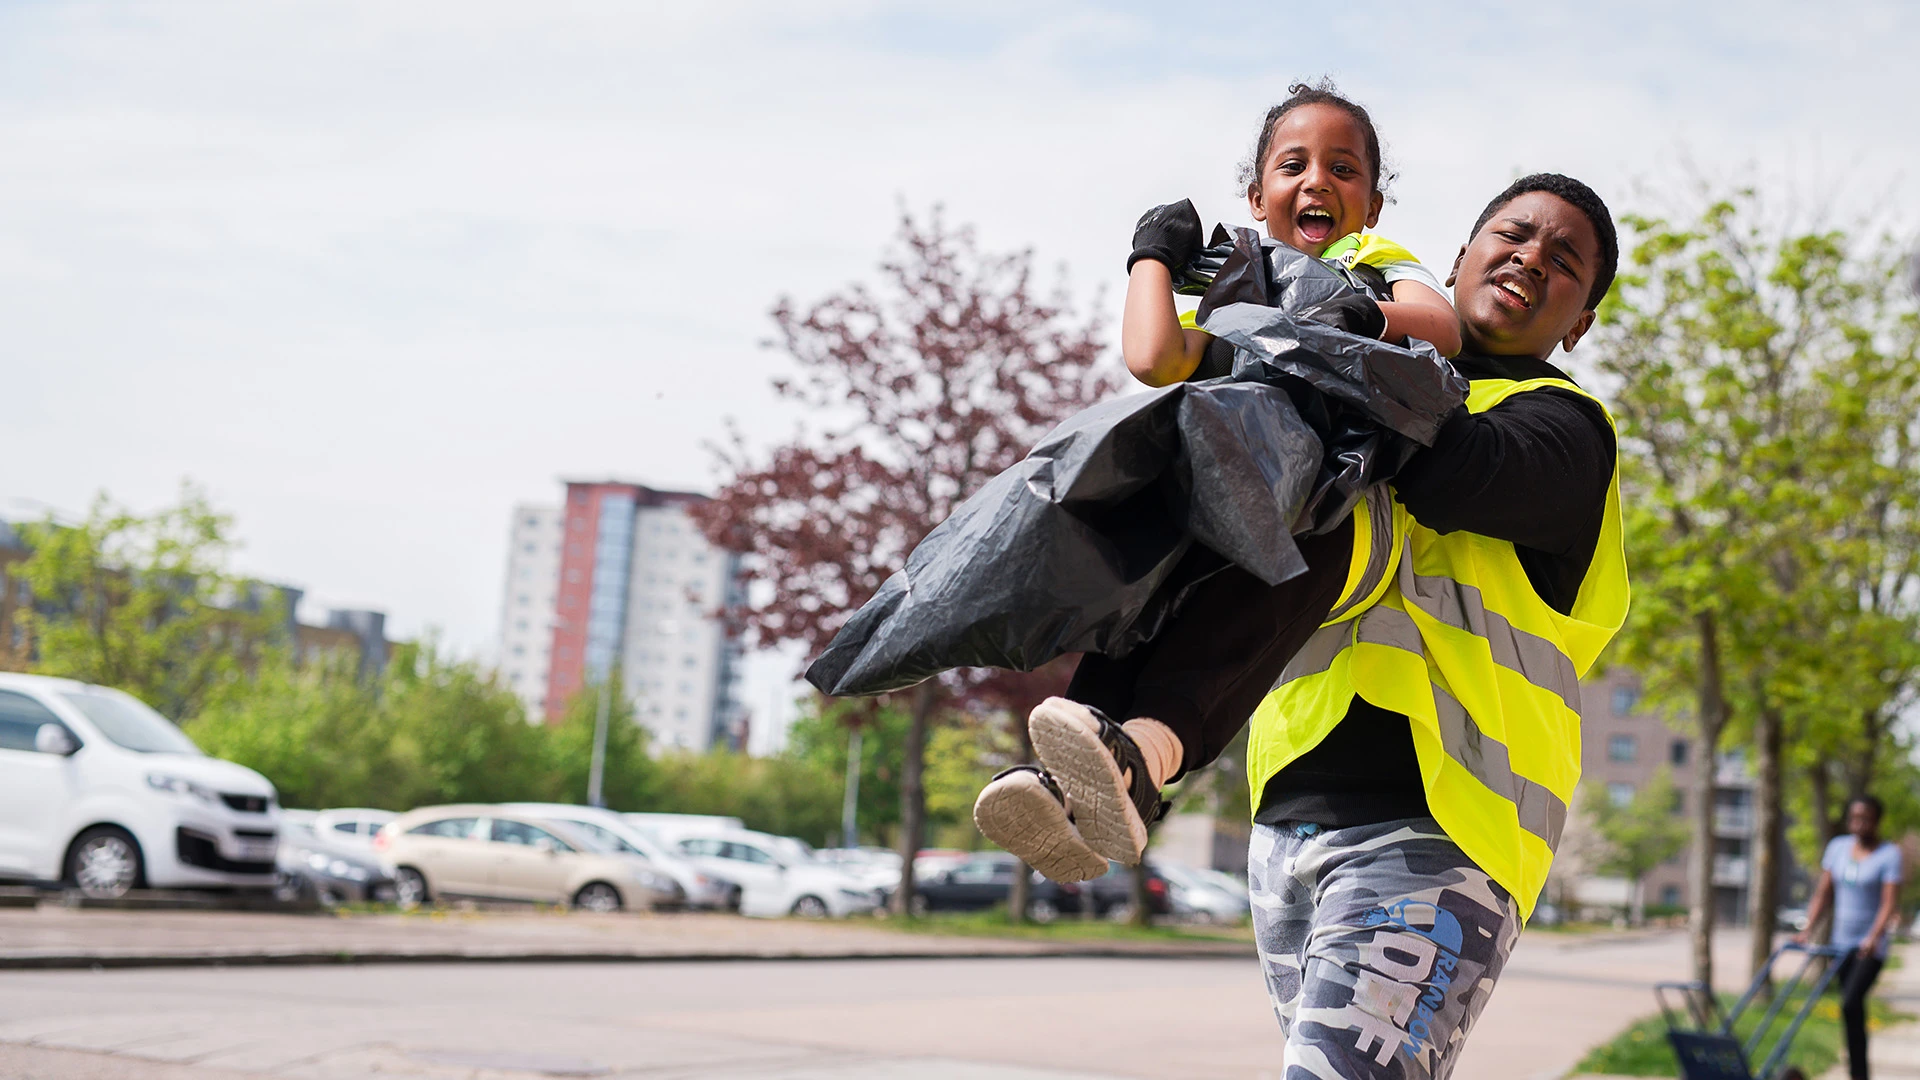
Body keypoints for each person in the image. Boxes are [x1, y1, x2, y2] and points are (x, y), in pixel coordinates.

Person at [987, 171, 1627, 1080]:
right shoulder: (1380, 373)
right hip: (1289, 824)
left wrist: (1306, 326)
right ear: (1460, 257)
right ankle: (1116, 753)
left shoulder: (1565, 430)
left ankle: (1147, 756)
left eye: (1564, 262)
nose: (1530, 257)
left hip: (1442, 832)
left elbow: (1448, 467)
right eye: (1513, 235)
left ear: (1578, 324)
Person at [973, 80, 1464, 881]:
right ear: (1256, 194)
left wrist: (1361, 314)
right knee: (1144, 601)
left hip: (1316, 498)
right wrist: (1152, 260)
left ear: (1371, 206)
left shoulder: (1366, 265)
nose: (1317, 182)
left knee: (1229, 620)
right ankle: (1071, 785)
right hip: (1223, 479)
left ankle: (1145, 759)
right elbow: (1155, 358)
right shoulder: (1242, 304)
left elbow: (1442, 324)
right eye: (1294, 165)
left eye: (1344, 170)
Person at [1796, 795, 1903, 1080]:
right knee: (1850, 1011)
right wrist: (1808, 929)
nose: (1859, 823)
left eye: (1865, 818)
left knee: (1850, 1002)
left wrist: (1873, 937)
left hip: (1870, 949)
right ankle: (1858, 1071)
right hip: (1839, 945)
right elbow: (1824, 893)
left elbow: (1889, 903)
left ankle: (1859, 1074)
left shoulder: (1889, 855)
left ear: (1876, 821)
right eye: (1854, 818)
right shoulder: (1838, 848)